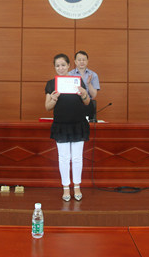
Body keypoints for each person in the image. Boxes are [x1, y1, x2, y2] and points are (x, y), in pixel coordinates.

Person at [45, 53, 91, 202]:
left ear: (69, 66)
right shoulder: (51, 84)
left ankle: (77, 186)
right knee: (63, 158)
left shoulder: (77, 81)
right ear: (54, 67)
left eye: (63, 65)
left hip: (78, 124)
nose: (61, 68)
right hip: (61, 125)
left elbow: (87, 102)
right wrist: (53, 99)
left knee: (77, 158)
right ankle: (65, 187)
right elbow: (47, 107)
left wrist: (84, 94)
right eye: (57, 66)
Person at [69, 50, 100, 121]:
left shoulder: (93, 75)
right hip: (72, 105)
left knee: (87, 126)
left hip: (87, 105)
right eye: (79, 60)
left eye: (84, 60)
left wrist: (88, 83)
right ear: (75, 61)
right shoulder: (69, 74)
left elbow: (94, 95)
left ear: (87, 61)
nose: (82, 62)